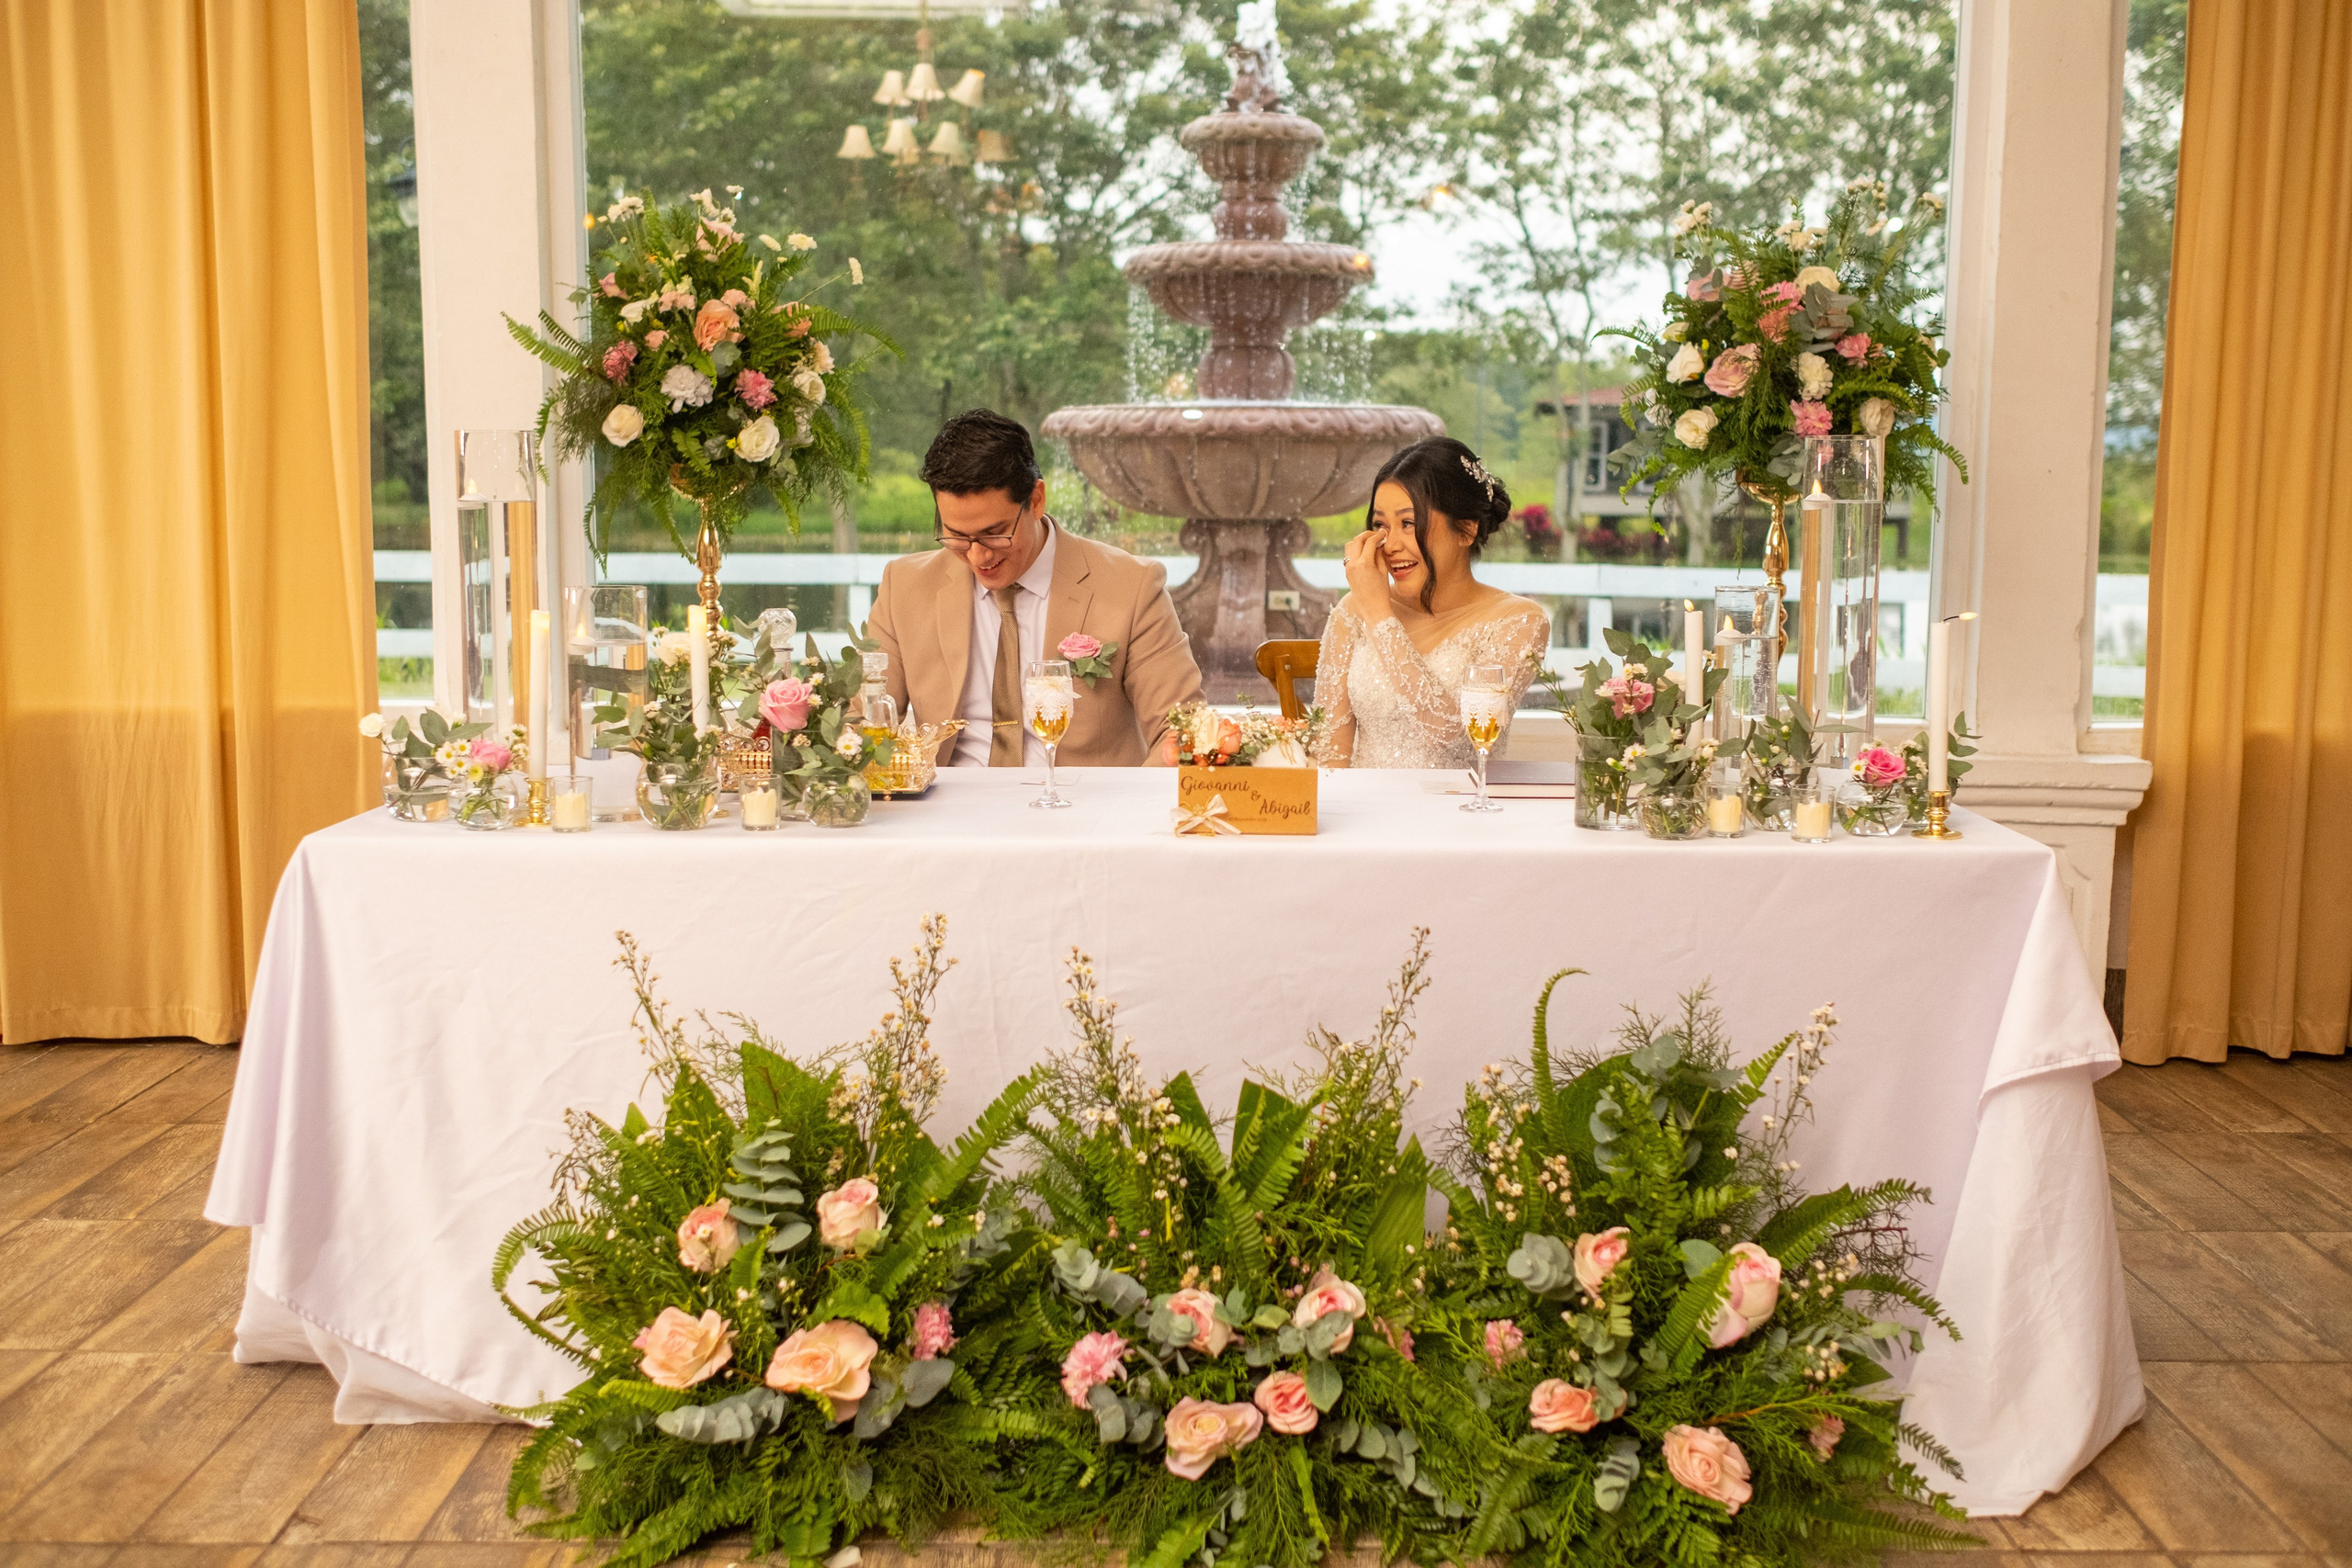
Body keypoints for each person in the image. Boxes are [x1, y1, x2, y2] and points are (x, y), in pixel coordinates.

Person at [866, 409, 1205, 768]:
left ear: (1036, 500)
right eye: (957, 536)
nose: (978, 556)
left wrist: (1129, 803)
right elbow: (860, 723)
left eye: (995, 533)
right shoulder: (904, 587)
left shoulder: (1132, 587)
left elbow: (1183, 728)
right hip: (945, 799)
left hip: (1083, 800)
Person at [1315, 437, 1551, 768]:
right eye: (1381, 525)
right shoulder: (1354, 610)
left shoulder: (1520, 621)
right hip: (1365, 800)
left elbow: (1456, 735)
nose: (1390, 545)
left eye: (1408, 523)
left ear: (1466, 530)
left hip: (1464, 800)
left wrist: (1379, 616)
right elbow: (1329, 754)